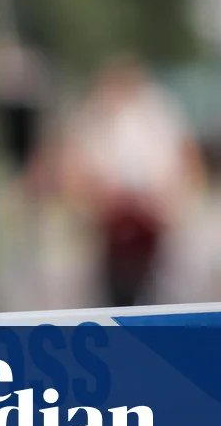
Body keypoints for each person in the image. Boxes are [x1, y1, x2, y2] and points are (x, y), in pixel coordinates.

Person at [59, 56, 206, 306]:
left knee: (158, 290)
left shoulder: (160, 115)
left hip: (153, 221)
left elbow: (185, 161)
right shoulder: (94, 117)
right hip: (111, 223)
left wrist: (169, 201)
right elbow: (74, 169)